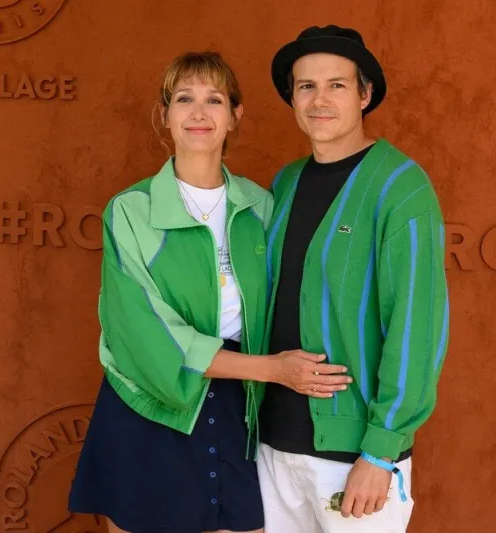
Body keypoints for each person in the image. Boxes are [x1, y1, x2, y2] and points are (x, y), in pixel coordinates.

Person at [68, 51, 352, 533]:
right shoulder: (131, 211)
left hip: (238, 406)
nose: (199, 113)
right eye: (184, 99)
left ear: (235, 115)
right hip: (148, 404)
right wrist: (273, 370)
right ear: (166, 116)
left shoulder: (262, 207)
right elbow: (142, 333)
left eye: (214, 99)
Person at [256, 25, 451, 533]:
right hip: (272, 444)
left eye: (336, 85)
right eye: (306, 86)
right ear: (292, 97)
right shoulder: (286, 180)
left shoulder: (400, 186)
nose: (319, 100)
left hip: (353, 459)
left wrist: (381, 452)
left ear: (364, 95)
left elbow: (417, 324)